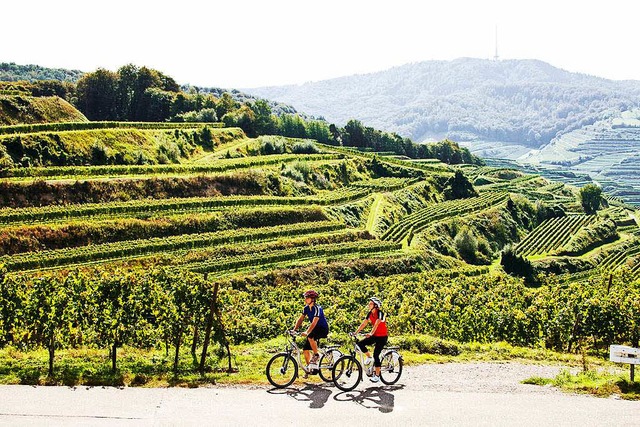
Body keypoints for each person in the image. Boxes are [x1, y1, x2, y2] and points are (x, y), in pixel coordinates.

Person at [292, 289, 329, 372]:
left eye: (307, 298)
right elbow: (300, 319)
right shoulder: (306, 308)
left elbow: (314, 322)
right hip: (315, 329)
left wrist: (307, 332)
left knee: (310, 336)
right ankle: (310, 369)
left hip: (323, 329)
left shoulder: (317, 308)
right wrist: (294, 330)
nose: (305, 299)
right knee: (305, 349)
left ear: (312, 299)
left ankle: (317, 355)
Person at [353, 296, 388, 383]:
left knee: (376, 354)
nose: (369, 305)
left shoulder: (380, 313)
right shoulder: (370, 313)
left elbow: (376, 324)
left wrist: (371, 333)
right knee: (360, 344)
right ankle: (369, 357)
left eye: (371, 304)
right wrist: (355, 332)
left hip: (382, 337)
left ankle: (377, 376)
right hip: (375, 335)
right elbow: (364, 323)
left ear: (375, 306)